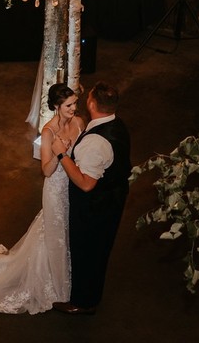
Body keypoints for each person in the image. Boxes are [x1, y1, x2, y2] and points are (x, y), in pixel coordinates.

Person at [0, 84, 85, 314]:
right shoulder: (48, 132)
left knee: (69, 231)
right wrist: (60, 154)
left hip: (73, 186)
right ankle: (60, 291)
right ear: (57, 107)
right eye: (69, 105)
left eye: (75, 103)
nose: (74, 108)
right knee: (55, 234)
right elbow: (46, 171)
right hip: (56, 189)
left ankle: (70, 274)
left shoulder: (78, 123)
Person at [51, 82, 131, 315]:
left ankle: (82, 303)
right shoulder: (116, 124)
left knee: (87, 251)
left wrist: (61, 153)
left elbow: (86, 183)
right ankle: (88, 295)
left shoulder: (96, 142)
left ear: (92, 104)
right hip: (113, 198)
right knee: (99, 250)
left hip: (95, 208)